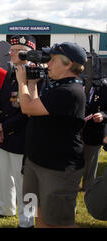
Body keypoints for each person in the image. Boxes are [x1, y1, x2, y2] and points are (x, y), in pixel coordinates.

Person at [17, 42, 86, 228]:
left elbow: (26, 107)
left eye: (53, 60)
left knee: (59, 221)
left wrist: (22, 82)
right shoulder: (58, 87)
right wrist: (32, 85)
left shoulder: (69, 91)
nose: (48, 64)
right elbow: (34, 110)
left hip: (57, 169)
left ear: (68, 64)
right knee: (37, 213)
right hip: (38, 161)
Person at [0, 35, 36, 228]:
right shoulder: (12, 71)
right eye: (12, 50)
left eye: (17, 50)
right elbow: (0, 101)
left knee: (25, 182)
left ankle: (28, 221)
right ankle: (6, 209)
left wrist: (3, 127)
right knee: (6, 176)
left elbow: (29, 110)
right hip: (4, 136)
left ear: (28, 52)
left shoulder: (34, 74)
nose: (11, 53)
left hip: (22, 137)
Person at [81, 76, 107, 191]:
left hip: (94, 132)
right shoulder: (75, 83)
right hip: (74, 132)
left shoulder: (103, 86)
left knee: (90, 165)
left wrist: (103, 115)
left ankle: (88, 189)